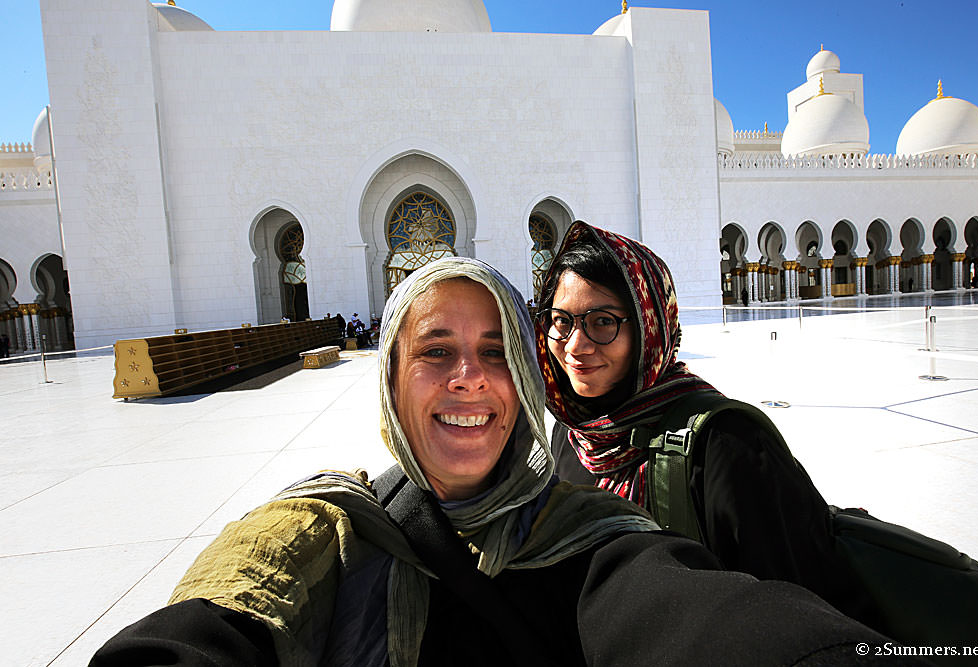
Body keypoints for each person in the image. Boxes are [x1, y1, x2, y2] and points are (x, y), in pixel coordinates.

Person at [91, 257, 896, 666]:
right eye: (434, 349)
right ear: (391, 384)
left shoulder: (585, 530)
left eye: (494, 350)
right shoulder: (324, 527)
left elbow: (685, 608)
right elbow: (220, 616)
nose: (468, 377)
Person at [535, 221, 849, 603]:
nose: (576, 345)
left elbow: (798, 604)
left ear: (651, 327)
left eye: (603, 322)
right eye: (562, 321)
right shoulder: (572, 435)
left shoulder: (728, 445)